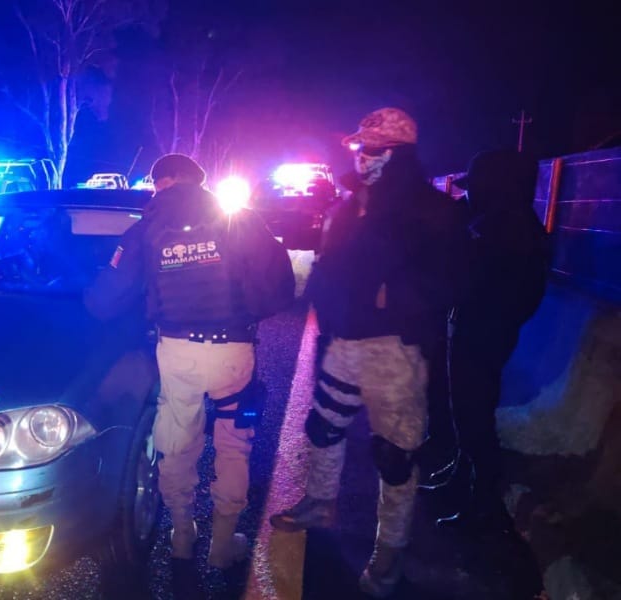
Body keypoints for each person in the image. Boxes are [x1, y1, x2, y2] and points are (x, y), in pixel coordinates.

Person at [269, 108, 469, 598]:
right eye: (359, 148)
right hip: (343, 342)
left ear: (396, 154)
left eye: (371, 149)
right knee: (323, 427)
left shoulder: (431, 210)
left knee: (394, 455)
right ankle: (319, 502)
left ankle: (389, 555)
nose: (360, 156)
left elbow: (452, 281)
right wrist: (327, 314)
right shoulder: (351, 204)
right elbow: (330, 267)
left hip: (394, 352)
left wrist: (386, 298)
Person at [85, 153, 295, 570]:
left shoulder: (144, 229)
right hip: (233, 350)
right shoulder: (238, 219)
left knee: (177, 443)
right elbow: (279, 286)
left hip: (177, 351)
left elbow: (104, 301)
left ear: (160, 183)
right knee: (234, 445)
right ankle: (222, 545)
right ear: (199, 181)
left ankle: (182, 535)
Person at [434, 149, 550, 532]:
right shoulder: (500, 223)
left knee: (474, 416)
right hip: (477, 328)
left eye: (475, 187)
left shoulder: (505, 230)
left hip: (482, 333)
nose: (468, 195)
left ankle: (480, 502)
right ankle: (461, 476)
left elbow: (476, 280)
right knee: (465, 410)